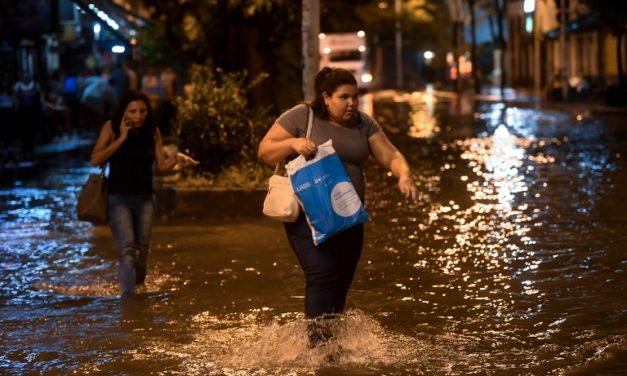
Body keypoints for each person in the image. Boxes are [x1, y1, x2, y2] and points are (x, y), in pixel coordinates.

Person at [257, 67, 417, 345]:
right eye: (344, 97)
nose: (352, 103)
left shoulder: (364, 124)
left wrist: (404, 174)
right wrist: (293, 143)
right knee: (321, 275)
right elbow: (265, 150)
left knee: (340, 282)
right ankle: (317, 348)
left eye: (355, 96)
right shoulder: (301, 116)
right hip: (306, 218)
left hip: (348, 217)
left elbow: (389, 154)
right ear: (326, 97)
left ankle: (329, 349)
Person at [90, 90, 199, 297]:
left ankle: (139, 289)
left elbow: (162, 165)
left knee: (142, 250)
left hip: (145, 199)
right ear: (124, 112)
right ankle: (128, 297)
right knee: (127, 250)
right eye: (133, 111)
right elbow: (95, 160)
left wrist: (177, 158)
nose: (138, 116)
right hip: (118, 198)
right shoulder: (111, 128)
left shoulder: (152, 131)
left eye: (143, 111)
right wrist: (121, 138)